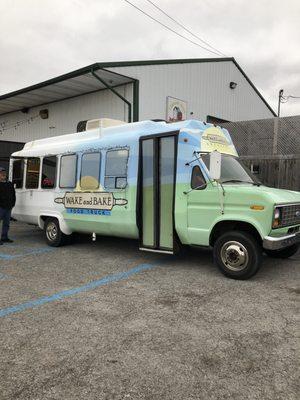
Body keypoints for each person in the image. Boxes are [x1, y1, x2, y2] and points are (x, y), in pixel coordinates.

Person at [0, 167, 16, 245]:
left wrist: (13, 203)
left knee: (6, 223)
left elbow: (13, 194)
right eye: (1, 173)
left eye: (4, 172)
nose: (3, 174)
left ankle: (4, 237)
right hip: (1, 207)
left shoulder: (9, 183)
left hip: (8, 207)